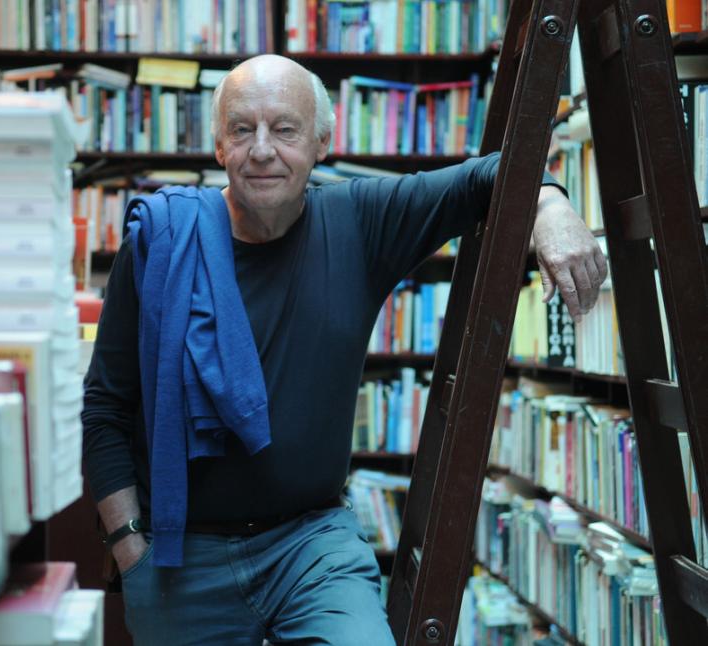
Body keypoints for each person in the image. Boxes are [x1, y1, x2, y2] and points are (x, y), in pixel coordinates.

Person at [81, 54, 607, 646]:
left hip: (311, 543)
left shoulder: (359, 220)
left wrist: (550, 204)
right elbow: (104, 406)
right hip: (181, 554)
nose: (261, 150)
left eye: (285, 129)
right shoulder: (161, 243)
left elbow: (484, 177)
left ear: (322, 143)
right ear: (219, 145)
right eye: (242, 129)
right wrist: (128, 546)